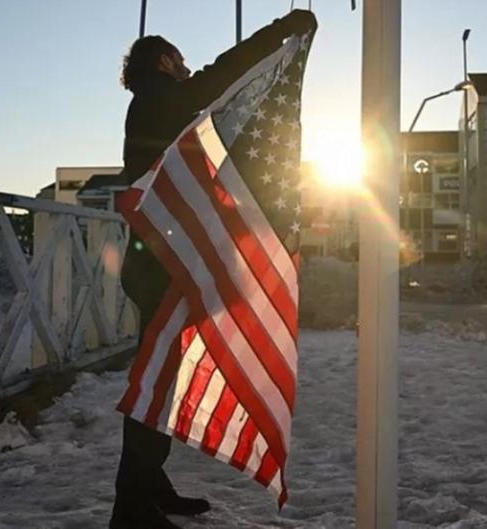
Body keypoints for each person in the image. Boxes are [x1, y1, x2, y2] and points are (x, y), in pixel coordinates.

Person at [111, 10, 317, 529]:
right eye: (181, 60)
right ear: (164, 61)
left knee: (160, 382)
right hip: (164, 268)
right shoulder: (159, 98)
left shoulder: (151, 104)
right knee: (156, 382)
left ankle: (149, 489)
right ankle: (131, 510)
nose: (188, 67)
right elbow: (221, 76)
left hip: (161, 263)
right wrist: (280, 31)